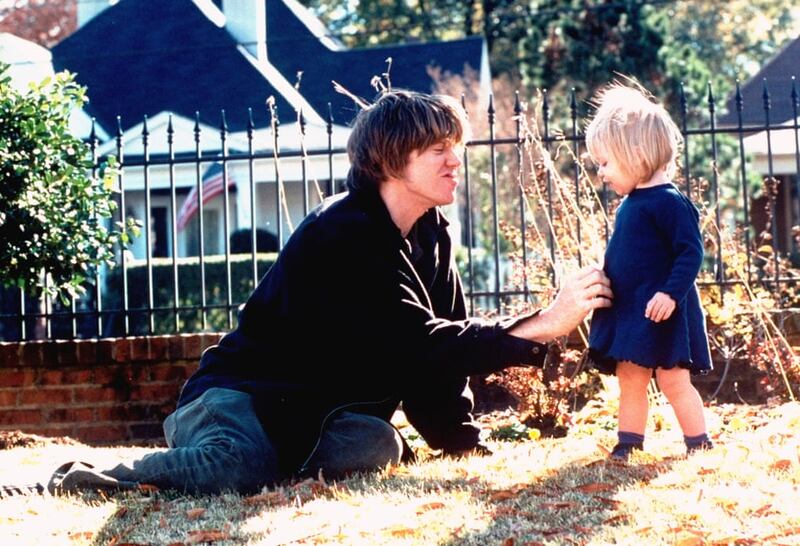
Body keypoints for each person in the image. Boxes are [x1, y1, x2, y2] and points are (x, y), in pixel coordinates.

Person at [51, 90, 612, 495]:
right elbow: (417, 342)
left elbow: (437, 358)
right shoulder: (343, 232)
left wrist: (459, 441)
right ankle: (91, 478)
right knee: (240, 467)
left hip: (312, 414)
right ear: (391, 160)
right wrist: (540, 324)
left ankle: (274, 465)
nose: (454, 160)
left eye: (455, 146)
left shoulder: (431, 233)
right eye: (438, 149)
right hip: (235, 397)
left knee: (378, 446)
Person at [585, 83, 713, 460]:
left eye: (606, 163)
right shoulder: (631, 203)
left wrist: (671, 293)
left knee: (673, 379)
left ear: (635, 153)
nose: (602, 173)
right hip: (632, 309)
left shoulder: (670, 202)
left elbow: (691, 253)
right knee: (630, 378)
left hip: (663, 309)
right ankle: (628, 443)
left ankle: (699, 442)